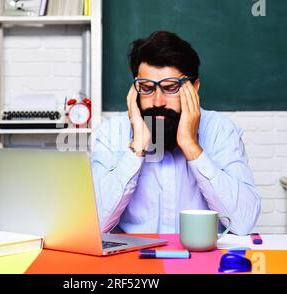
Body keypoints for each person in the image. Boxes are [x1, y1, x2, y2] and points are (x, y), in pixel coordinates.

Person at [91, 31, 261, 235]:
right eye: (146, 88)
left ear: (194, 88)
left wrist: (191, 146)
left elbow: (244, 222)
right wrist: (136, 147)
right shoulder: (111, 132)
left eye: (170, 88)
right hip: (133, 260)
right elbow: (95, 225)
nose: (157, 102)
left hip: (203, 260)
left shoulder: (220, 131)